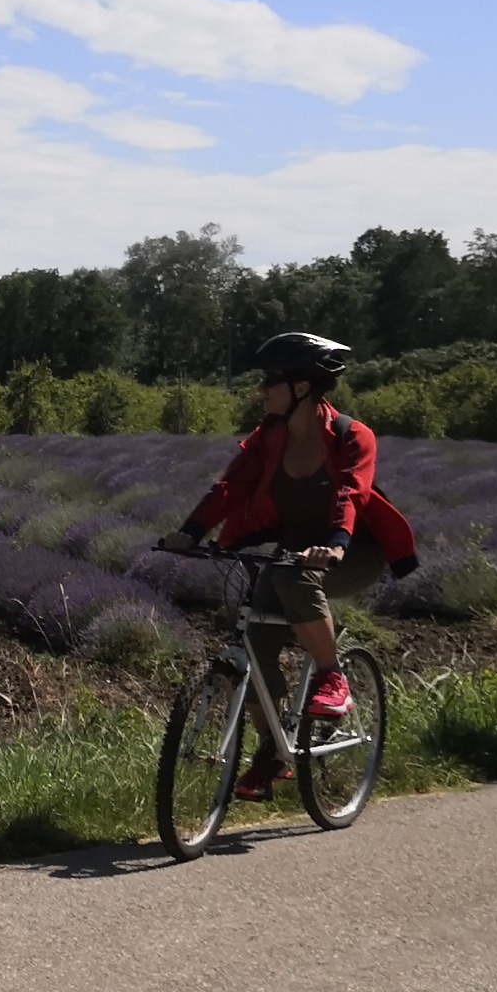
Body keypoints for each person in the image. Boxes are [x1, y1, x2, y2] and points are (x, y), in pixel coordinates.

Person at [155, 332, 419, 800]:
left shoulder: (351, 436)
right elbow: (230, 488)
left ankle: (332, 676)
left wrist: (336, 543)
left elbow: (350, 492)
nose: (261, 391)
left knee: (292, 575)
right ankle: (271, 753)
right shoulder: (268, 439)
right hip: (295, 551)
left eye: (270, 382)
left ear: (303, 386)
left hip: (353, 551)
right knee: (257, 646)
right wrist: (191, 533)